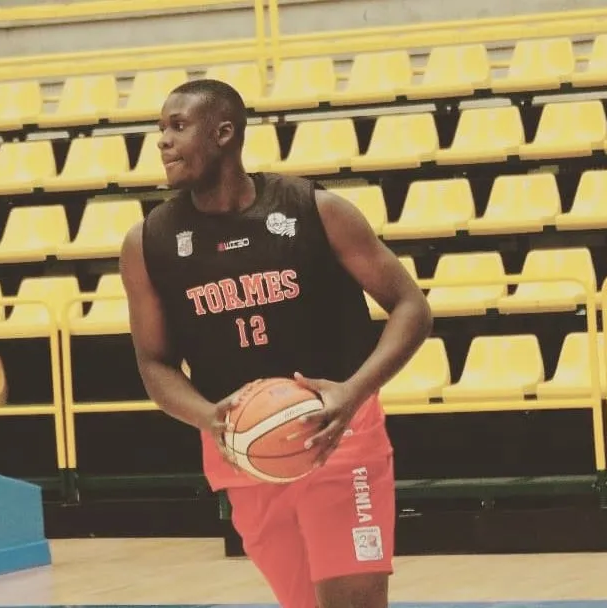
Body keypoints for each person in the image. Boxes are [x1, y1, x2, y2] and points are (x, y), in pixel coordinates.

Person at [119, 78, 431, 608]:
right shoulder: (150, 242)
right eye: (160, 129)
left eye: (178, 126)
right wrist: (210, 417)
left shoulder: (317, 210)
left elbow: (411, 307)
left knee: (353, 602)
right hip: (242, 450)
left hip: (340, 433)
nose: (163, 141)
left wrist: (352, 393)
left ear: (224, 133)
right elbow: (155, 364)